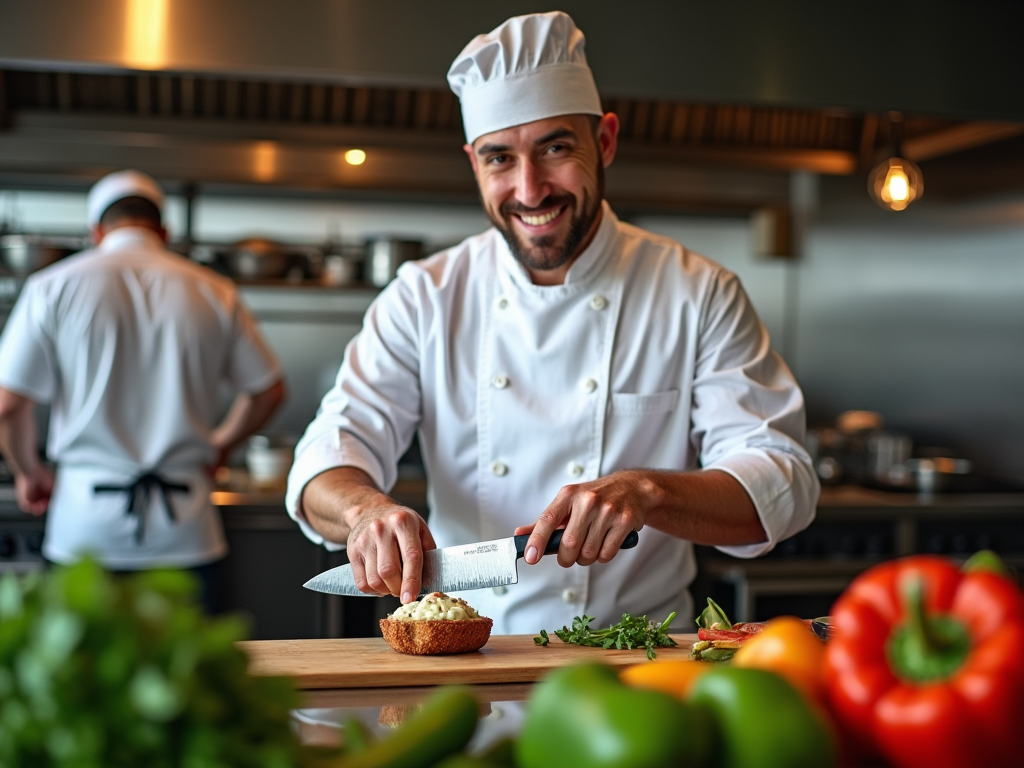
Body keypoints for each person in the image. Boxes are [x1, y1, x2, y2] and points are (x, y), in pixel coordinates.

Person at [286, 12, 819, 634]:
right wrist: (363, 511)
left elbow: (782, 478)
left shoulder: (697, 292)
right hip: (468, 654)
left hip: (639, 662)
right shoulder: (425, 297)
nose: (530, 189)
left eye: (556, 148)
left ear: (607, 142)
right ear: (472, 162)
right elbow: (330, 452)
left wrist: (648, 492)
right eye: (499, 159)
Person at [0, 170, 284, 610]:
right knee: (191, 675)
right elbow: (268, 392)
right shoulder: (215, 290)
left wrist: (27, 472)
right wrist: (221, 443)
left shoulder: (51, 286)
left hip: (83, 531)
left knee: (78, 678)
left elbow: (6, 406)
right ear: (164, 232)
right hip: (186, 532)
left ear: (97, 231)